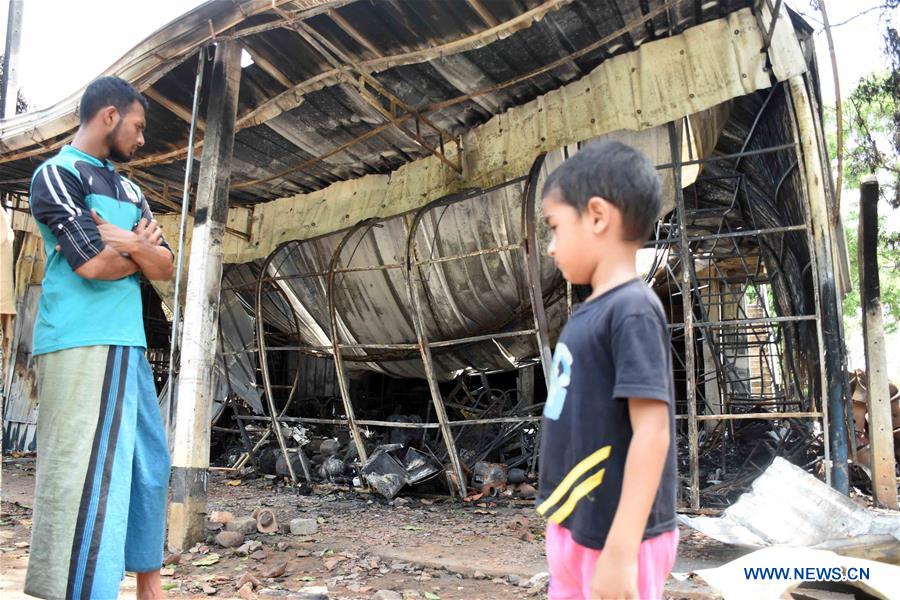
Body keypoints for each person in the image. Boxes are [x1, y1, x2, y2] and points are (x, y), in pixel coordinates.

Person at [25, 76, 174, 600]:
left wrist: (125, 241)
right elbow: (92, 264)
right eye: (136, 126)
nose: (140, 139)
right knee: (85, 474)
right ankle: (82, 590)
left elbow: (164, 266)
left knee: (148, 462)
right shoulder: (56, 175)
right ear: (109, 116)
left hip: (126, 340)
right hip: (79, 341)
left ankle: (149, 586)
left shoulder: (129, 189)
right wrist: (136, 247)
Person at [536, 140, 678, 600]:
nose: (552, 247)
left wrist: (621, 550)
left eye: (555, 227)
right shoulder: (589, 312)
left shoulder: (633, 309)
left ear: (597, 216)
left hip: (617, 536)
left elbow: (652, 432)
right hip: (580, 523)